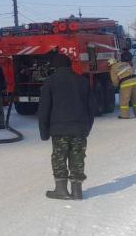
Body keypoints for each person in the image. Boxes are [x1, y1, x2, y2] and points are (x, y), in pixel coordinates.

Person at [38, 53, 98, 200]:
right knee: (78, 157)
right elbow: (92, 108)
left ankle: (61, 190)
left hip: (59, 130)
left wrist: (44, 132)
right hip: (79, 129)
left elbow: (44, 109)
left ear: (55, 66)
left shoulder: (50, 82)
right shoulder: (82, 81)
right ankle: (77, 191)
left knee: (59, 158)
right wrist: (87, 128)